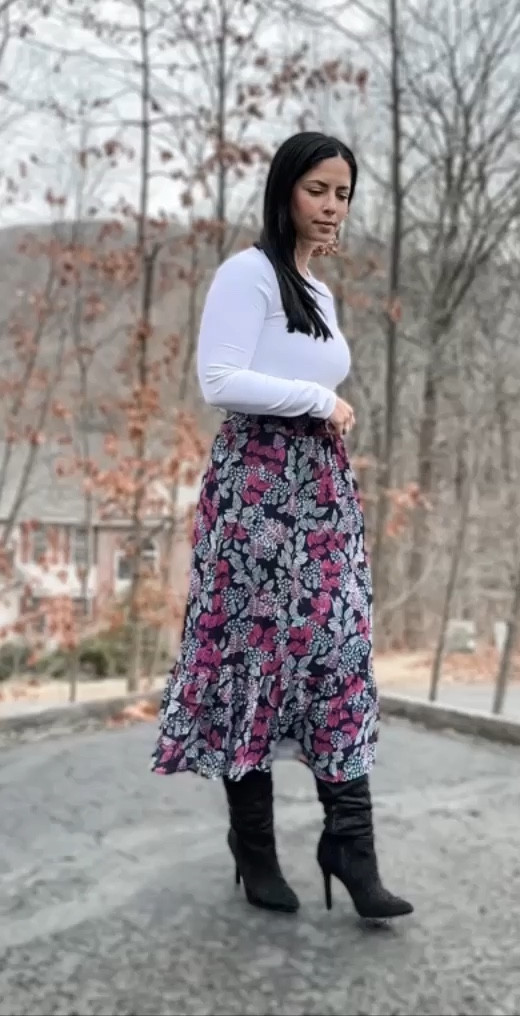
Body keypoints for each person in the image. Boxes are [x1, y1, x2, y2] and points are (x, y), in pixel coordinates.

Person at [152, 131, 413, 921]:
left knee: (338, 651)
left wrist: (322, 412)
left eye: (343, 194)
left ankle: (351, 847)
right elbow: (220, 379)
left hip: (321, 490)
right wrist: (318, 400)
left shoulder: (316, 289)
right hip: (256, 486)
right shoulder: (249, 272)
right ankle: (255, 847)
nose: (332, 206)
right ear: (284, 191)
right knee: (252, 654)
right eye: (317, 190)